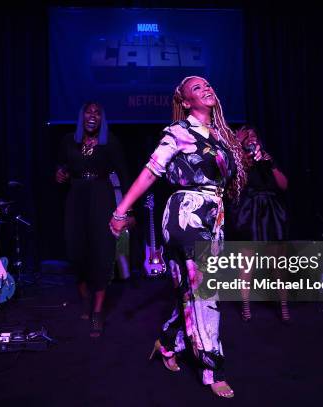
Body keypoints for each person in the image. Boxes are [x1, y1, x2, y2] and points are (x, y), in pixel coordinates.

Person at [109, 76, 246, 398]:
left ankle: (168, 343)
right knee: (206, 292)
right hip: (187, 213)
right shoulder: (178, 132)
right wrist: (121, 211)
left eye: (208, 85)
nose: (206, 89)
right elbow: (150, 172)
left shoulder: (220, 135)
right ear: (185, 102)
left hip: (213, 215)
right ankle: (213, 369)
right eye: (197, 88)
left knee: (190, 292)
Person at [56, 102, 130, 338]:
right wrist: (59, 174)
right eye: (89, 112)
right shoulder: (69, 140)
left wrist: (128, 211)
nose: (92, 116)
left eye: (98, 113)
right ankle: (85, 297)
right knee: (75, 252)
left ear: (102, 119)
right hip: (76, 198)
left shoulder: (111, 142)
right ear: (82, 116)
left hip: (101, 197)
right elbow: (62, 167)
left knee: (101, 252)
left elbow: (125, 175)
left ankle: (97, 312)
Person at [226, 125, 290, 322]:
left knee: (277, 264)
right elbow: (233, 187)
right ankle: (246, 306)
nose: (252, 139)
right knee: (247, 263)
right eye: (247, 136)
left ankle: (284, 306)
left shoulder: (267, 158)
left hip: (271, 211)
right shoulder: (239, 160)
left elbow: (284, 185)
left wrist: (269, 163)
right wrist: (245, 161)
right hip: (250, 211)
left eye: (255, 135)